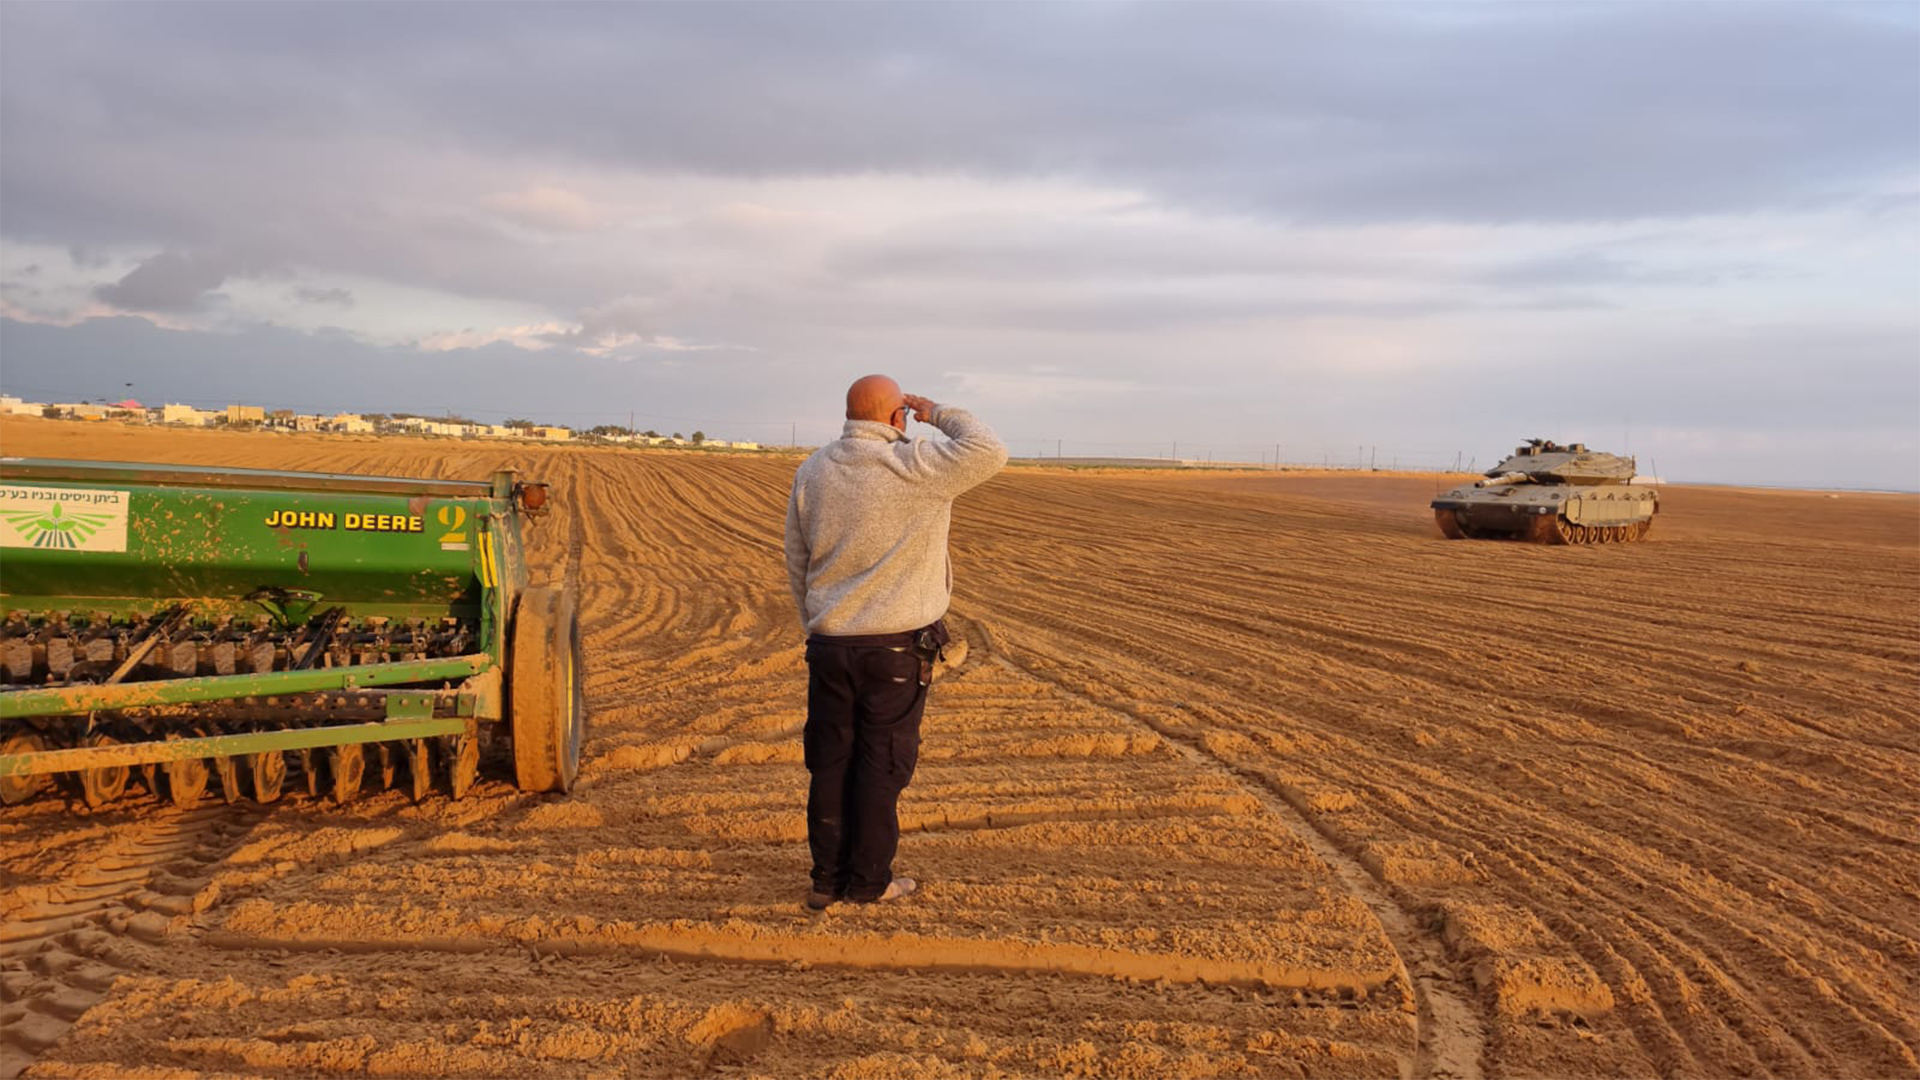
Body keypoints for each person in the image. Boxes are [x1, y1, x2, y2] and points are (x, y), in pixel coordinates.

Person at [783, 375, 1007, 910]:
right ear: (895, 418)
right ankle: (868, 883)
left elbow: (796, 559)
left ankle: (825, 881)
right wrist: (935, 411)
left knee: (830, 763)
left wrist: (816, 624)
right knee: (880, 766)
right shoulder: (917, 466)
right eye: (904, 412)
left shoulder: (812, 470)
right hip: (896, 650)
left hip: (830, 645)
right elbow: (990, 450)